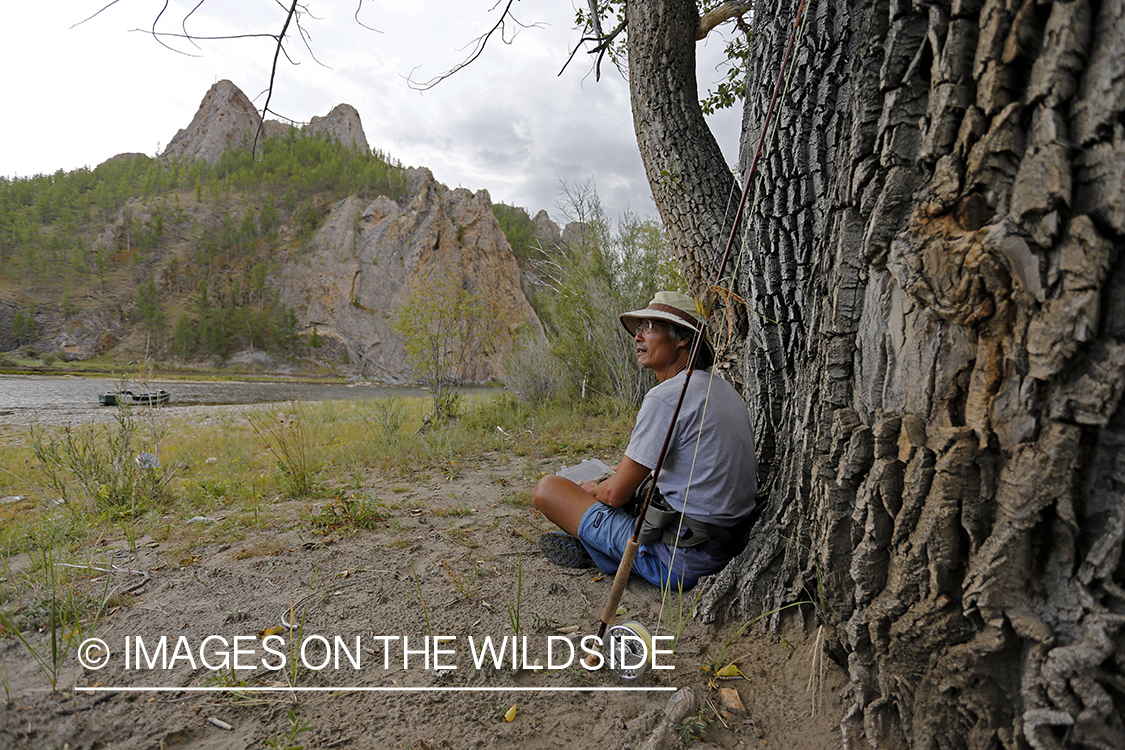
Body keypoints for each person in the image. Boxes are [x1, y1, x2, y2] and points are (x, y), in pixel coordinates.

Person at [532, 291, 758, 590]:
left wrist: (591, 490)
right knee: (627, 485)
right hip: (725, 548)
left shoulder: (666, 397)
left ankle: (598, 549)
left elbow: (614, 495)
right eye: (638, 329)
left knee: (549, 489)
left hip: (677, 564)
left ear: (682, 339)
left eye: (649, 327)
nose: (638, 337)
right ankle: (596, 547)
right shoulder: (724, 390)